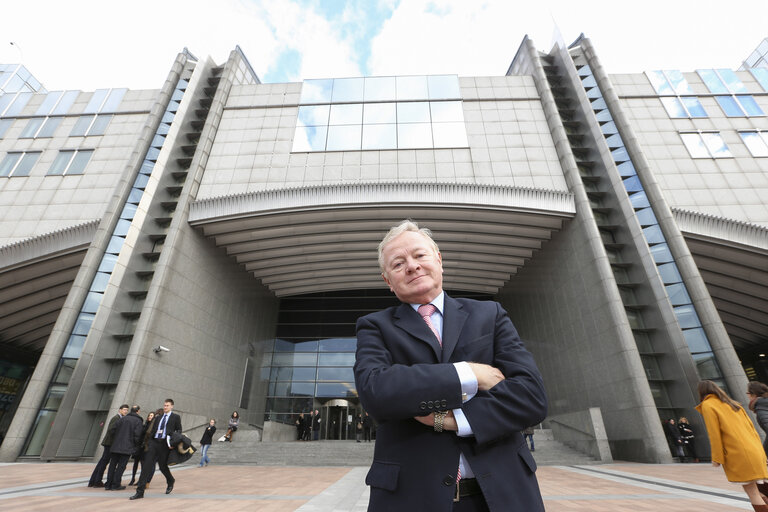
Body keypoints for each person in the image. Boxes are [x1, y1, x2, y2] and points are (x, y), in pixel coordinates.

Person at [354, 220, 547, 511]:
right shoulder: (375, 326)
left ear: (439, 261)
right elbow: (377, 391)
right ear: (388, 281)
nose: (412, 266)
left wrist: (452, 420)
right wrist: (470, 373)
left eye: (420, 255)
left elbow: (531, 396)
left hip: (504, 495)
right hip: (411, 498)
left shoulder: (489, 314)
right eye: (398, 263)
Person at [696, 380, 768, 511]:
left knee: (752, 492)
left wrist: (717, 458)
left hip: (738, 454)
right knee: (760, 489)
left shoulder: (708, 405)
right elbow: (752, 430)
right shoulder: (735, 404)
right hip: (755, 450)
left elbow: (714, 434)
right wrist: (762, 453)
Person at [130, 398, 182, 500]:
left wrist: (173, 442)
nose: (165, 407)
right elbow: (153, 430)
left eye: (167, 405)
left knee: (163, 467)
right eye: (164, 405)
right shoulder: (158, 417)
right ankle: (140, 492)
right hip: (154, 443)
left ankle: (170, 480)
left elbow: (179, 430)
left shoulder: (176, 417)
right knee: (146, 466)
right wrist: (150, 442)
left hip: (165, 444)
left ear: (172, 406)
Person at [88, 404, 129, 487]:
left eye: (127, 410)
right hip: (109, 443)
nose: (126, 411)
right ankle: (97, 481)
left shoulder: (120, 418)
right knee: (104, 462)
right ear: (120, 410)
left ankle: (94, 481)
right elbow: (111, 430)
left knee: (103, 462)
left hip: (110, 443)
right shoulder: (116, 418)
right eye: (124, 409)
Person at [105, 405, 144, 490]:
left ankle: (108, 484)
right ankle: (115, 484)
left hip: (116, 446)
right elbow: (137, 436)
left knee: (112, 465)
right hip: (127, 447)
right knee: (121, 466)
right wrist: (136, 447)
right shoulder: (138, 421)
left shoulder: (122, 419)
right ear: (138, 411)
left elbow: (112, 430)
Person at [129, 410, 156, 485]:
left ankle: (142, 480)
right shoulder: (144, 425)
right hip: (140, 446)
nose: (150, 417)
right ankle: (132, 478)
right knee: (136, 463)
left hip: (146, 447)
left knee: (143, 465)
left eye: (151, 416)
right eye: (149, 415)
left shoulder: (153, 426)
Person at [747, 381, 768, 457]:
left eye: (748, 393)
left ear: (754, 395)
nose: (747, 396)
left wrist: (764, 453)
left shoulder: (761, 409)